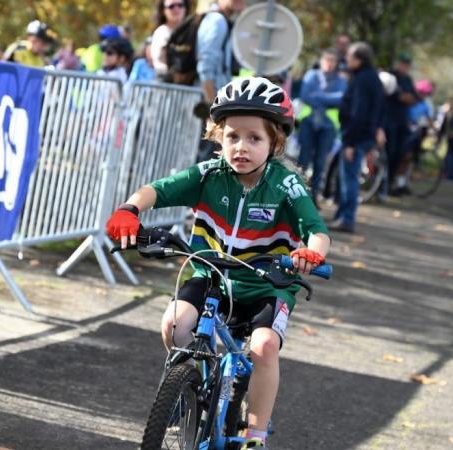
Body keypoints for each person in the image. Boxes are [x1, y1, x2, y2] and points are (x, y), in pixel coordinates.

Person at [106, 77, 330, 450]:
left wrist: (312, 253)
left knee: (262, 347)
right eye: (232, 136)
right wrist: (130, 209)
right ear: (218, 137)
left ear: (274, 143)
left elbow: (316, 230)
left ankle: (255, 435)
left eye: (254, 138)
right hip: (209, 273)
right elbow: (157, 190)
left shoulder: (286, 185)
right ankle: (188, 387)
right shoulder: (209, 174)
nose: (241, 147)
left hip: (267, 284)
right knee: (175, 323)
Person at [332, 42, 384, 233]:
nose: (346, 60)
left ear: (359, 59)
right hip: (364, 136)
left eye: (350, 57)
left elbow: (358, 112)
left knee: (349, 179)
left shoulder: (363, 79)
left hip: (356, 137)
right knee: (347, 177)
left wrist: (351, 141)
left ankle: (346, 219)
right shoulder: (372, 78)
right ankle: (341, 216)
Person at [297, 49, 347, 207]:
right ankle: (298, 194)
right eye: (327, 60)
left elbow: (341, 99)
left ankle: (314, 195)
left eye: (333, 61)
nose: (329, 64)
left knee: (320, 161)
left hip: (328, 126)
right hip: (308, 122)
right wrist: (327, 99)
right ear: (322, 61)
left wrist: (317, 96)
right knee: (303, 158)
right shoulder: (311, 76)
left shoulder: (340, 80)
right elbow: (305, 95)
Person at [383, 52, 420, 195]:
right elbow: (397, 95)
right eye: (403, 64)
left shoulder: (408, 79)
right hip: (389, 120)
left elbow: (413, 98)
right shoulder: (392, 76)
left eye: (407, 65)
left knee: (400, 153)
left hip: (402, 121)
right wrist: (404, 97)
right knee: (389, 152)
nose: (404, 67)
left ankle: (391, 183)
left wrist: (405, 97)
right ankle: (383, 183)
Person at [196, 0, 246, 102]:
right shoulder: (217, 20)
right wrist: (211, 106)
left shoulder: (223, 20)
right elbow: (205, 66)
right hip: (206, 101)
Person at [151, 0, 190, 79]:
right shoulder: (162, 32)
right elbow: (161, 61)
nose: (176, 9)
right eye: (171, 6)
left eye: (180, 5)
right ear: (163, 10)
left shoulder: (191, 32)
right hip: (166, 85)